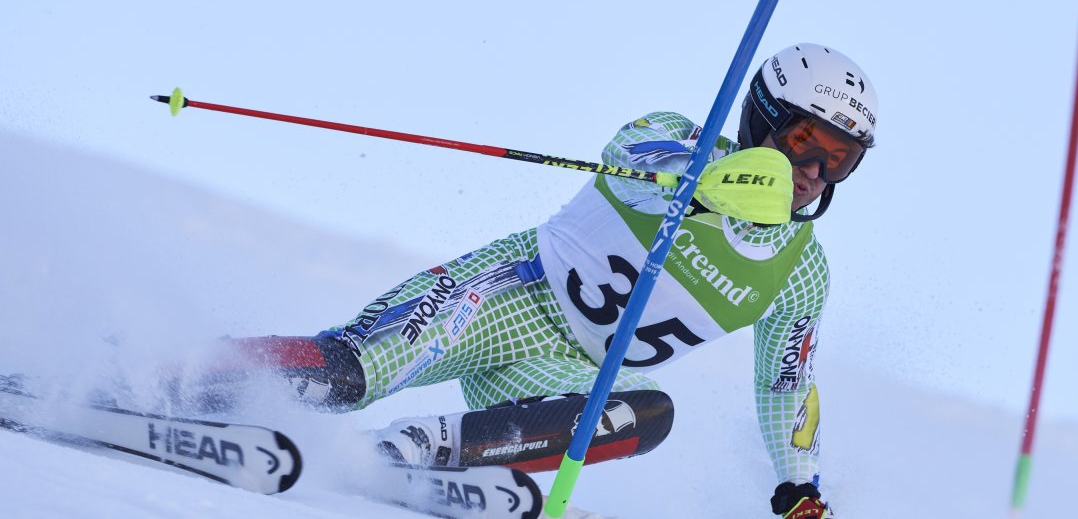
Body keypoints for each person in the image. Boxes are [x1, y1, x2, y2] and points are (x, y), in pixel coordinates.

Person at [175, 43, 879, 518]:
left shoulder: (800, 271)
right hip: (509, 295)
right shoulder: (680, 143)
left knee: (650, 413)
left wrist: (798, 486)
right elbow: (627, 150)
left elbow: (785, 381)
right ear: (763, 119)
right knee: (351, 370)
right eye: (800, 143)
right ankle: (176, 373)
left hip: (566, 376)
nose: (812, 172)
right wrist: (706, 186)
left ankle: (414, 449)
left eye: (837, 159)